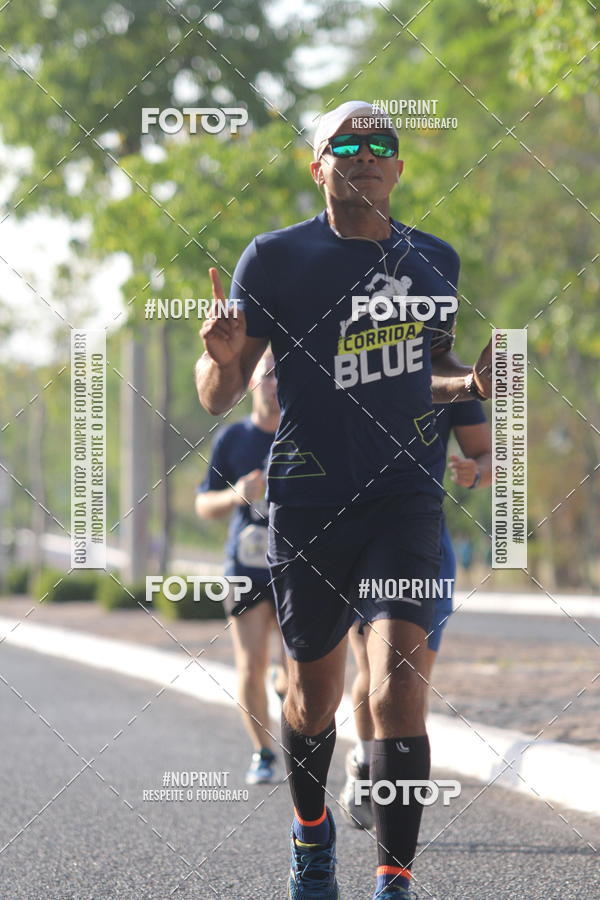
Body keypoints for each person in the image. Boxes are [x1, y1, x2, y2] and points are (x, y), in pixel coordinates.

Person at [195, 99, 493, 900]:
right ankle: (312, 834)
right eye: (345, 144)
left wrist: (470, 391)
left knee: (397, 688)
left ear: (398, 168)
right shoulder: (275, 259)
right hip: (308, 501)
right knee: (314, 696)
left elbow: (415, 379)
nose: (365, 154)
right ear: (318, 165)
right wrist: (221, 362)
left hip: (404, 498)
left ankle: (394, 879)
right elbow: (220, 396)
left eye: (380, 144)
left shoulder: (436, 260)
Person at [340, 399, 492, 830]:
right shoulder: (348, 355)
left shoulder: (447, 375)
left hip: (422, 540)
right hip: (356, 537)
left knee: (411, 679)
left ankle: (396, 807)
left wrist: (476, 472)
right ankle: (365, 758)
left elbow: (488, 454)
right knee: (372, 670)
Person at [195, 350, 286, 785]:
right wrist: (237, 494)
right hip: (245, 568)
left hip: (296, 567)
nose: (276, 384)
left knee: (294, 673)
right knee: (250, 665)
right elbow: (203, 504)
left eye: (283, 376)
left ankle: (298, 736)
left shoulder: (303, 433)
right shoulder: (233, 439)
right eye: (269, 375)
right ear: (252, 382)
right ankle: (263, 752)